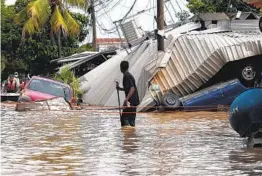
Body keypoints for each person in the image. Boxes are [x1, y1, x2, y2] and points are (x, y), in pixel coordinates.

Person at [116, 61, 139, 127]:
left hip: (131, 101)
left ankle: (128, 134)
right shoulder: (128, 75)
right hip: (133, 101)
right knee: (131, 120)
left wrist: (126, 99)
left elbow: (132, 89)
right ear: (128, 67)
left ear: (121, 68)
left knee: (124, 119)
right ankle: (131, 135)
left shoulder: (127, 76)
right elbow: (129, 89)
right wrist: (120, 88)